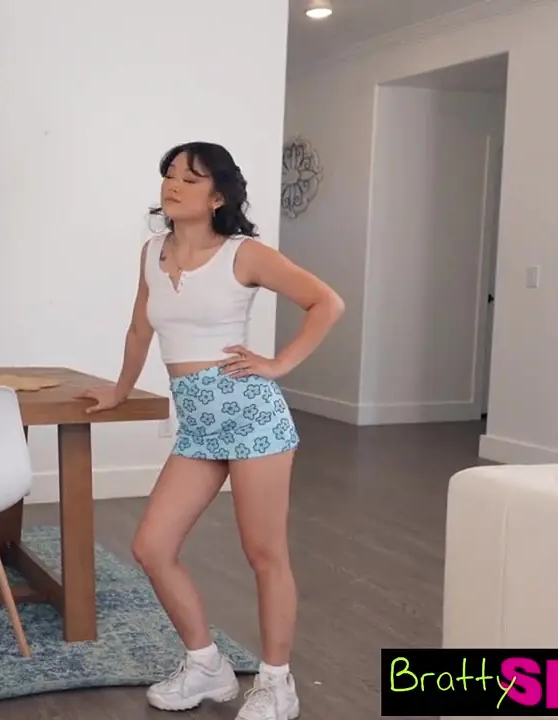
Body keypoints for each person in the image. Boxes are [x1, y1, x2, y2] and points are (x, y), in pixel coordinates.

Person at [78, 142, 344, 720]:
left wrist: (279, 364)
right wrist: (120, 390)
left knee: (264, 553)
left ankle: (276, 683)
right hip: (198, 423)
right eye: (170, 175)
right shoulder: (153, 252)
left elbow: (326, 303)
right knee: (152, 547)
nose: (173, 185)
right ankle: (206, 666)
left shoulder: (244, 254)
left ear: (218, 196)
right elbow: (139, 330)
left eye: (191, 179)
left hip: (250, 416)